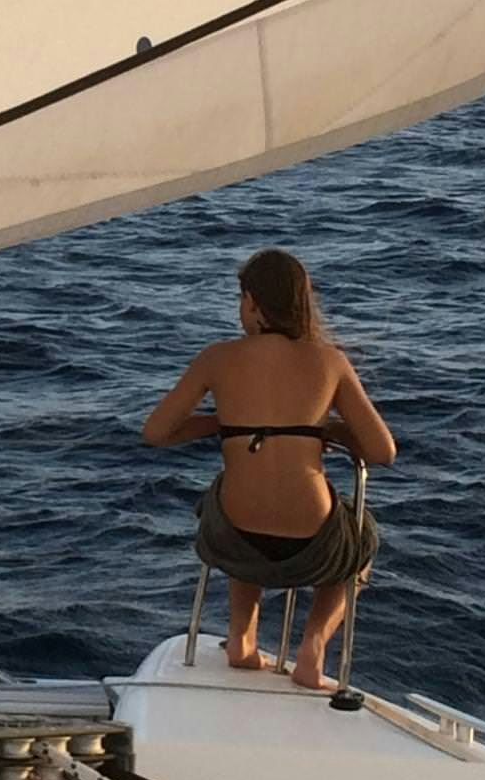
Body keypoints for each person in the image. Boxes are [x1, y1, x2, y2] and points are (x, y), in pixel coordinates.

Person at [142, 248, 396, 691]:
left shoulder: (217, 358)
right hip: (313, 543)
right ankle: (313, 648)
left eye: (241, 299)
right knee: (362, 539)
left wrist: (223, 423)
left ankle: (242, 640)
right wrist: (326, 430)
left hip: (236, 539)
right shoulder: (329, 361)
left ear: (254, 304)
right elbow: (382, 451)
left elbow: (156, 432)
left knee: (231, 496)